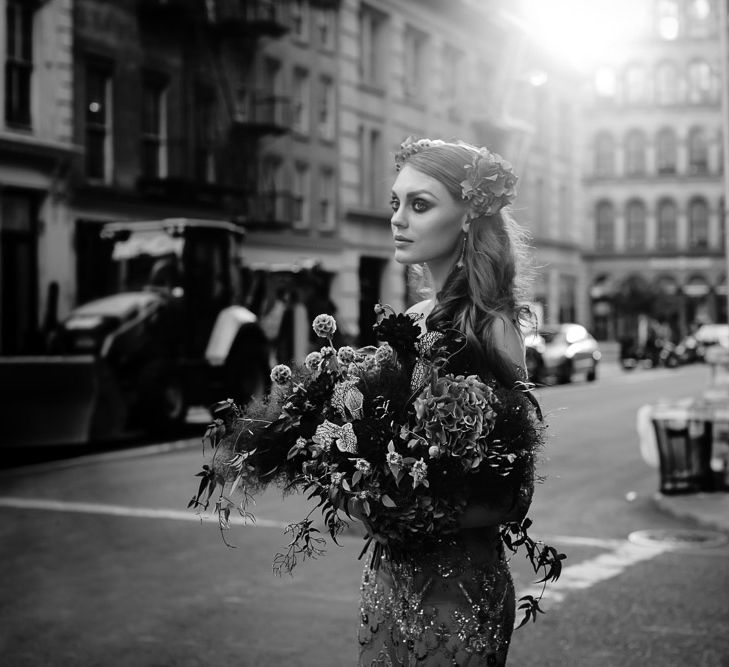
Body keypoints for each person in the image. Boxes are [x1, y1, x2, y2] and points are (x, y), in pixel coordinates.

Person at [357, 137, 536, 666]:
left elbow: (514, 493)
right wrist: (356, 487)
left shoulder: (492, 327)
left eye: (419, 204)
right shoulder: (409, 319)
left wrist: (404, 514)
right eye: (396, 203)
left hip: (456, 588)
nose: (398, 219)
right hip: (389, 578)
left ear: (466, 217)